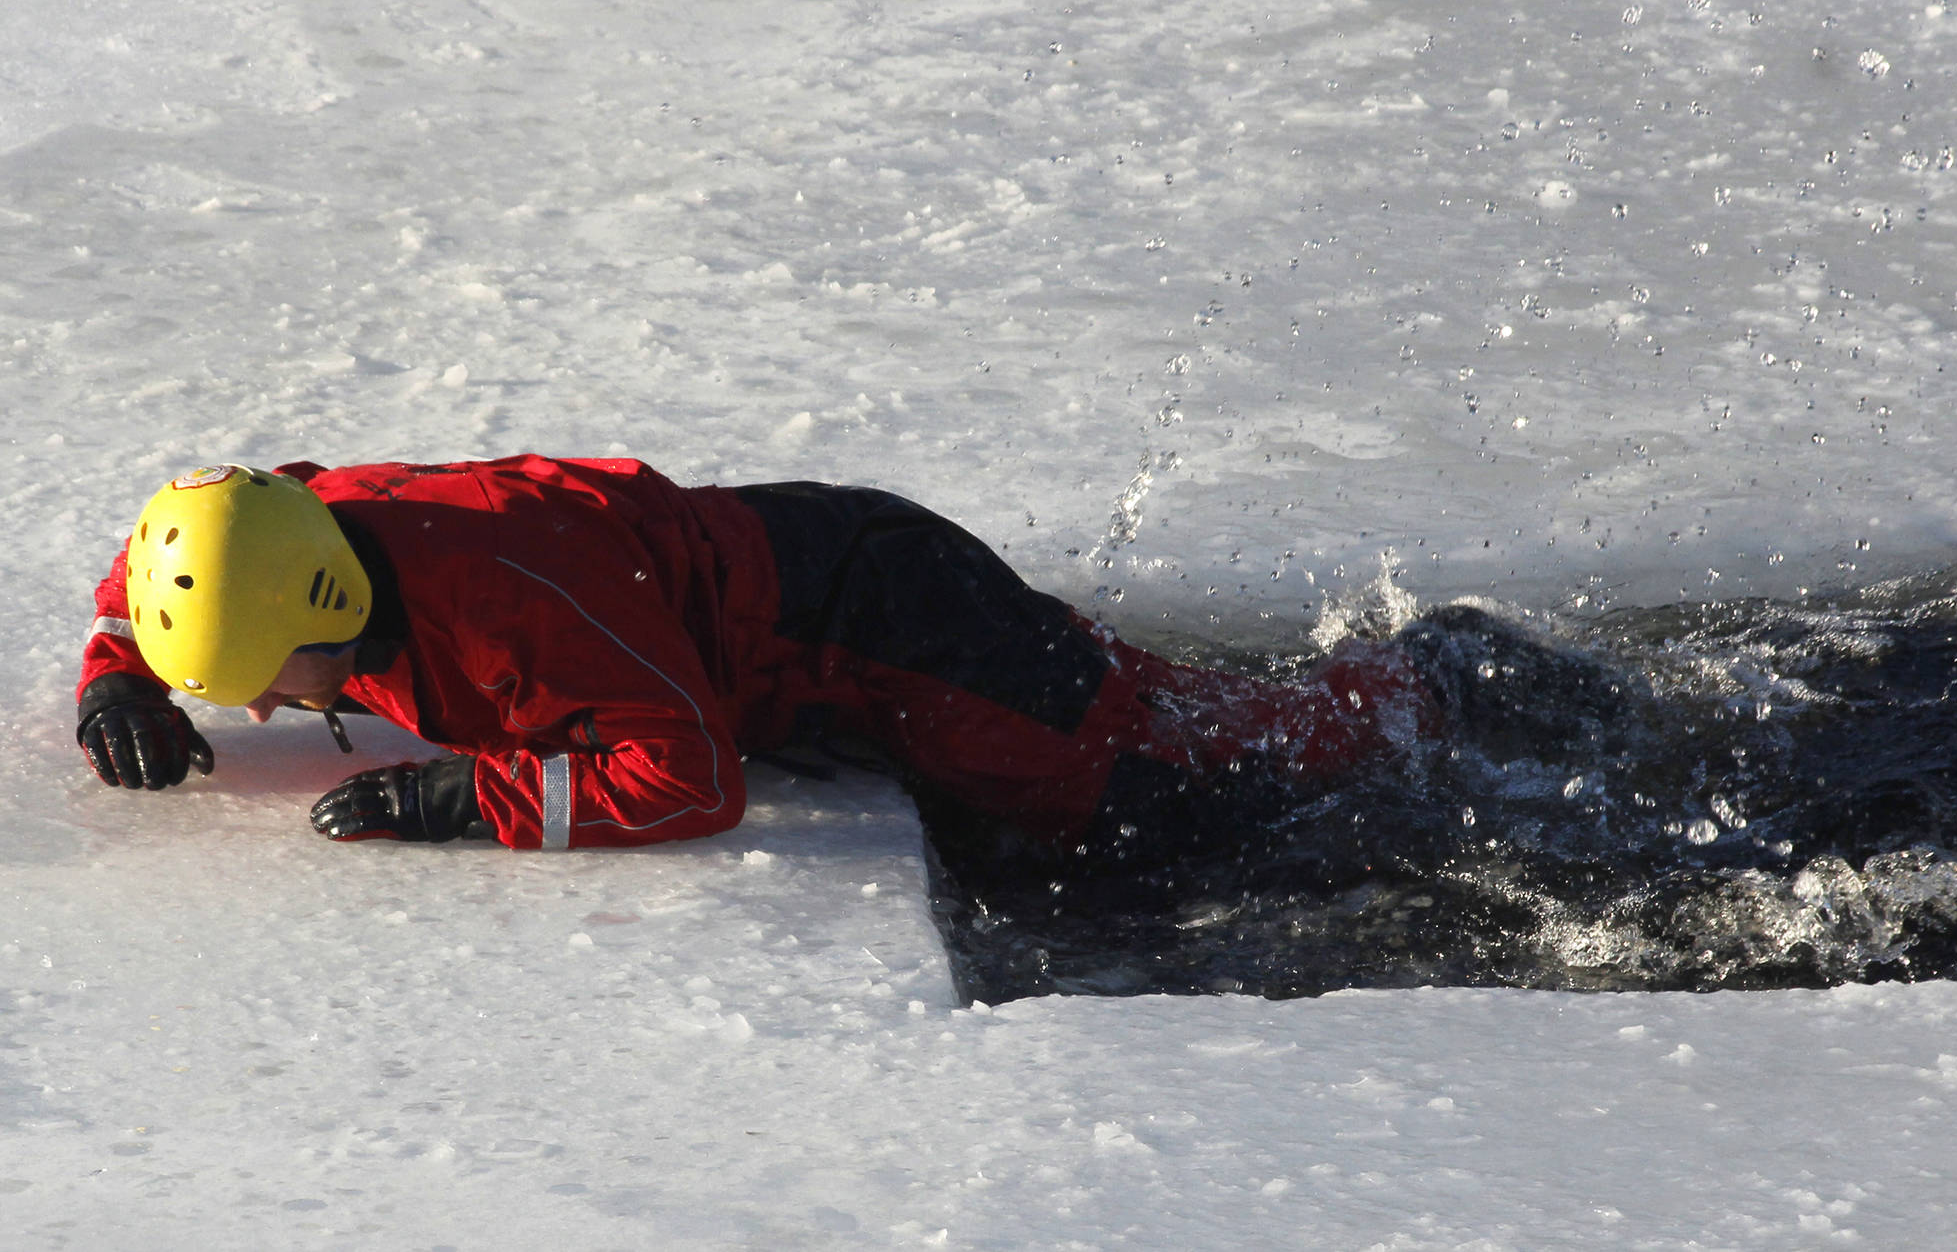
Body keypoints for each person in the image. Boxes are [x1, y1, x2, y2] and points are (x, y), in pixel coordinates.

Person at [77, 457, 1607, 856]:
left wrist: (464, 799)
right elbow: (161, 564)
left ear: (322, 620)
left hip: (882, 622)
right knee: (1161, 749)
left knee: (1161, 774)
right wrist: (117, 676)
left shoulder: (502, 608)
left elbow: (688, 772)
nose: (261, 712)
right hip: (801, 576)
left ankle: (1453, 690)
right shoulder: (289, 531)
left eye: (256, 683)